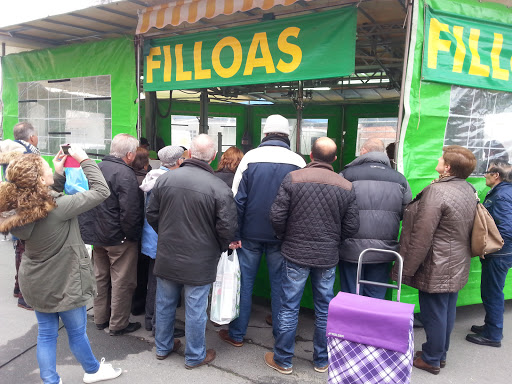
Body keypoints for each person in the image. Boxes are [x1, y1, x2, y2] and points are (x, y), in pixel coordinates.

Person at [0, 147, 122, 384]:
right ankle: (93, 371)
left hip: (35, 280)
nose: (49, 167)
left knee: (46, 335)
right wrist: (84, 159)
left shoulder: (17, 209)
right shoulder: (61, 207)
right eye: (46, 169)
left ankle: (50, 380)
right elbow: (101, 190)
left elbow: (43, 201)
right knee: (77, 333)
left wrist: (58, 174)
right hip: (65, 281)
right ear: (39, 180)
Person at [266, 137, 359, 375]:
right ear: (335, 159)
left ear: (311, 155)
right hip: (327, 255)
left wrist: (285, 237)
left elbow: (277, 216)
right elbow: (352, 226)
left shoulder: (294, 178)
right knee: (325, 309)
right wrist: (334, 241)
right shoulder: (346, 185)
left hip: (295, 252)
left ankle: (284, 360)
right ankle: (321, 360)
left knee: (288, 306)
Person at [147, 134, 237, 368]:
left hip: (168, 252)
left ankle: (163, 347)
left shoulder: (165, 180)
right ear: (214, 157)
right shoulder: (219, 187)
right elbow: (227, 228)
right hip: (201, 257)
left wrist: (165, 234)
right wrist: (217, 247)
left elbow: (152, 214)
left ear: (188, 154)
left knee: (164, 302)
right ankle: (195, 355)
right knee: (196, 308)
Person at [219, 115, 306, 348]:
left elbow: (237, 200)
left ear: (265, 134)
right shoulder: (298, 161)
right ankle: (281, 335)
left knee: (244, 284)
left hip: (249, 235)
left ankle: (236, 335)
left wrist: (233, 235)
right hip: (282, 236)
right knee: (281, 286)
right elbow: (302, 203)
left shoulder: (250, 158)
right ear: (287, 135)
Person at [396, 145, 477, 375]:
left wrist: (408, 268)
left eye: (442, 158)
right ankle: (438, 353)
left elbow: (422, 234)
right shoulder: (467, 188)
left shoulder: (438, 192)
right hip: (456, 260)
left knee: (434, 313)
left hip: (437, 263)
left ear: (448, 167)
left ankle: (431, 358)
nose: (439, 159)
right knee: (446, 310)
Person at [79, 133, 144, 336]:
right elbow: (130, 212)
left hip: (96, 235)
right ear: (130, 154)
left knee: (100, 277)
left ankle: (100, 318)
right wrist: (133, 236)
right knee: (122, 282)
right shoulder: (126, 175)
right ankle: (118, 324)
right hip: (119, 237)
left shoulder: (97, 168)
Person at [339, 138, 411, 299]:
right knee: (375, 295)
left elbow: (336, 207)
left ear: (364, 151)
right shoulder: (399, 178)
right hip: (384, 248)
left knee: (352, 294)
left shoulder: (347, 175)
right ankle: (371, 324)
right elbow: (407, 211)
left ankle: (352, 324)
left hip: (351, 247)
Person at [140, 145, 185, 332]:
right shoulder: (170, 181)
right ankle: (161, 324)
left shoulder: (152, 176)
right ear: (179, 161)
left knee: (154, 281)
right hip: (163, 240)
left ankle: (150, 319)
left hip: (151, 238)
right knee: (164, 286)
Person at [466, 162, 512, 348]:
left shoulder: (501, 196)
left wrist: (489, 248)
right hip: (502, 253)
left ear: (496, 176)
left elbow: (506, 230)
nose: (484, 175)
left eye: (487, 172)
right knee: (491, 291)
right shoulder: (503, 192)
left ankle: (493, 334)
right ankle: (490, 326)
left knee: (492, 293)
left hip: (499, 255)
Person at [0, 121, 40, 311]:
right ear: (31, 137)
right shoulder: (27, 153)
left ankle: (18, 287)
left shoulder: (10, 150)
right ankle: (25, 295)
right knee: (27, 250)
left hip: (12, 204)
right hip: (25, 205)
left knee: (19, 247)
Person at [130, 146, 151, 317]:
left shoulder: (127, 177)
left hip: (128, 233)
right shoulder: (147, 181)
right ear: (145, 163)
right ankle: (139, 305)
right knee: (143, 271)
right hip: (142, 232)